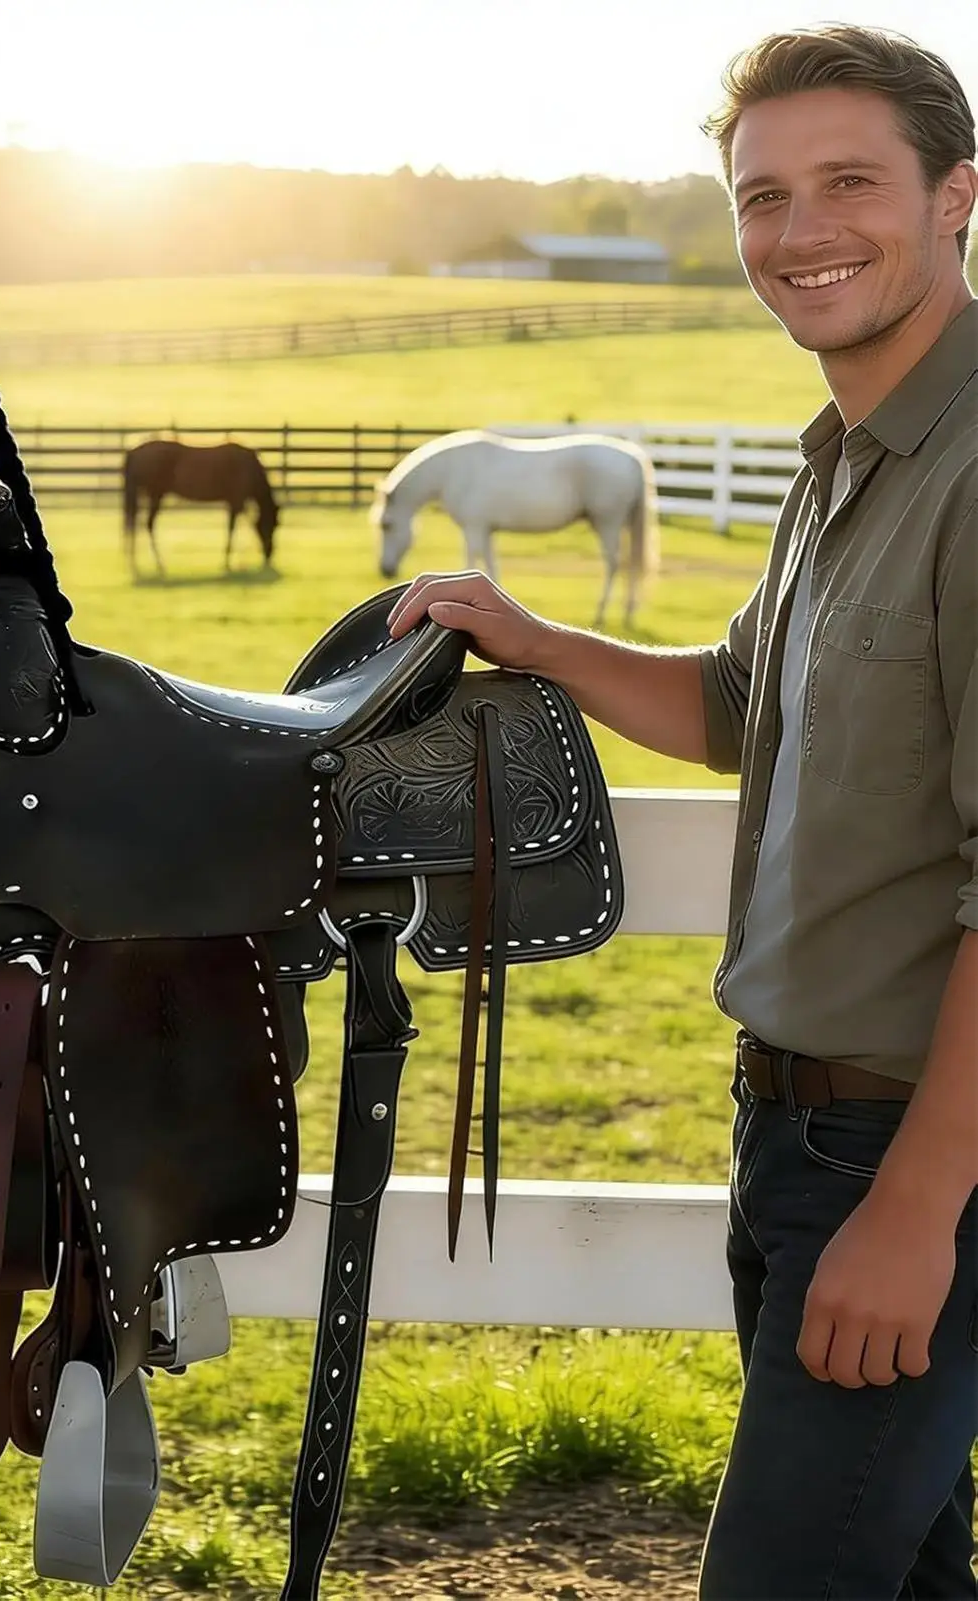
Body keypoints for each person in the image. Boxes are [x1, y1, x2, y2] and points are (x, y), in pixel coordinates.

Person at [388, 24, 977, 1600]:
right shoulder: (845, 456)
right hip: (795, 1134)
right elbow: (736, 707)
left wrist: (917, 1209)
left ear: (956, 200)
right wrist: (538, 638)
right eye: (762, 196)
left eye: (850, 183)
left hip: (909, 1155)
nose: (799, 234)